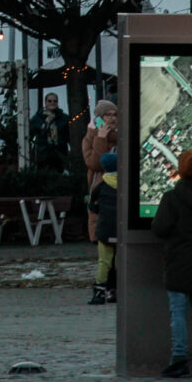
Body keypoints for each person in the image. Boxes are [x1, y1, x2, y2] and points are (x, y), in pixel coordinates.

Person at [147, 148, 192, 375]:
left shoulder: (172, 198)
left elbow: (160, 228)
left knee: (177, 310)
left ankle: (179, 357)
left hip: (178, 259)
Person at [81, 98, 118, 240]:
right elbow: (95, 164)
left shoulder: (121, 136)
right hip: (100, 189)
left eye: (115, 115)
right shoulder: (90, 138)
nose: (112, 118)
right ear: (99, 119)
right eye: (108, 115)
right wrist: (100, 139)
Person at [88, 150, 119, 305]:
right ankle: (116, 289)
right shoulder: (127, 185)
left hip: (105, 230)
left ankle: (99, 291)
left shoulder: (100, 187)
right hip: (122, 230)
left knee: (104, 261)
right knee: (119, 261)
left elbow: (92, 208)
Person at [29, 92, 70, 173]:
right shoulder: (38, 117)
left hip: (59, 154)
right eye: (50, 101)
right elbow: (30, 134)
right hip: (42, 154)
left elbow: (68, 136)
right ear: (46, 102)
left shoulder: (64, 118)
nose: (52, 103)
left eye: (55, 101)